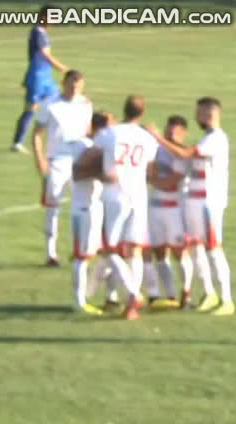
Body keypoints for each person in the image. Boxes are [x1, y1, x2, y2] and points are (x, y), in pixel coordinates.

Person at [146, 97, 234, 316]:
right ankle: (209, 293)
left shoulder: (216, 139)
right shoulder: (207, 138)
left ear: (207, 114)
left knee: (213, 249)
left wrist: (157, 138)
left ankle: (227, 299)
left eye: (198, 113)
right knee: (196, 248)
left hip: (208, 202)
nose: (196, 117)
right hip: (194, 202)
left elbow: (185, 154)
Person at [95, 95, 159, 320]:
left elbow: (94, 152)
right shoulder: (147, 138)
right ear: (142, 113)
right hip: (138, 196)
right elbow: (151, 170)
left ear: (123, 110)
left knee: (110, 248)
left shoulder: (110, 133)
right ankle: (126, 304)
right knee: (134, 250)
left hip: (114, 195)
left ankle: (131, 294)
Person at [31, 70, 92, 266]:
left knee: (82, 206)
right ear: (63, 83)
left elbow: (89, 132)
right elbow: (37, 133)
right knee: (53, 206)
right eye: (71, 84)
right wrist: (40, 159)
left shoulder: (85, 104)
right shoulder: (50, 104)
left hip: (80, 160)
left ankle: (79, 249)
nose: (74, 88)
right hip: (57, 161)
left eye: (78, 85)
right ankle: (51, 254)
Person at [146, 115, 194, 309]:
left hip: (175, 210)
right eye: (167, 131)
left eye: (174, 132)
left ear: (183, 134)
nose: (169, 135)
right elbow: (150, 172)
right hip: (155, 208)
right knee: (159, 252)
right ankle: (170, 294)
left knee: (179, 252)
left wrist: (152, 179)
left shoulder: (181, 154)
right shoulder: (157, 151)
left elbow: (170, 183)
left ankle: (186, 293)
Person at [69, 111, 114, 315]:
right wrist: (103, 175)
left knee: (108, 253)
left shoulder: (96, 145)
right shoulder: (84, 145)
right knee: (82, 257)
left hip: (97, 206)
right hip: (85, 208)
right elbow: (78, 173)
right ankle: (79, 301)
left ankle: (109, 297)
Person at [11, 5, 69, 154]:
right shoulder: (37, 32)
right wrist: (63, 68)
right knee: (31, 109)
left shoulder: (42, 33)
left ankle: (64, 138)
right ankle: (17, 143)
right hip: (37, 77)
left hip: (45, 76)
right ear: (44, 17)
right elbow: (45, 55)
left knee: (59, 103)